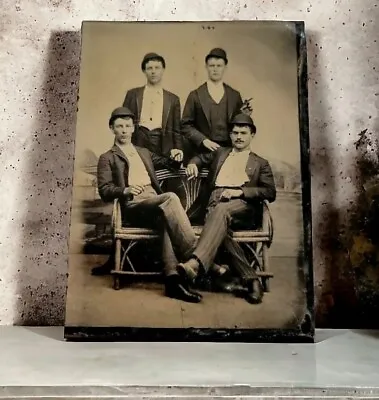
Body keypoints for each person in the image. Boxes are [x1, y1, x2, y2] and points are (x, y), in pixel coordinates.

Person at [93, 106, 204, 303]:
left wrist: (175, 157)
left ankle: (172, 281)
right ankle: (198, 255)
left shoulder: (143, 152)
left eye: (128, 126)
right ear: (112, 129)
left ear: (134, 129)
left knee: (165, 217)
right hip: (134, 205)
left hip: (155, 202)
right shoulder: (107, 157)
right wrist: (124, 190)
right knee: (170, 198)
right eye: (120, 126)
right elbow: (104, 190)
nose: (125, 130)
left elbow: (167, 164)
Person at [179, 113, 277, 304]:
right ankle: (252, 279)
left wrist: (239, 192)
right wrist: (192, 164)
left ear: (252, 135)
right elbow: (200, 157)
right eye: (234, 133)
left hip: (243, 206)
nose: (238, 137)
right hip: (213, 202)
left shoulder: (260, 163)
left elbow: (269, 192)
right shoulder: (220, 153)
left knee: (219, 212)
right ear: (230, 135)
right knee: (219, 219)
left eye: (243, 132)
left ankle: (195, 264)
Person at [181, 48, 246, 161]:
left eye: (219, 66)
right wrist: (203, 140)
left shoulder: (234, 96)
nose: (215, 69)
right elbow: (185, 125)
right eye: (212, 66)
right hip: (201, 153)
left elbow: (239, 126)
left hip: (229, 153)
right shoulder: (195, 95)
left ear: (225, 67)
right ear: (206, 67)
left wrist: (245, 116)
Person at [122, 52, 183, 163]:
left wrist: (178, 149)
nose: (153, 71)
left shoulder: (173, 99)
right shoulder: (133, 94)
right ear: (144, 71)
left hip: (161, 143)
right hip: (138, 140)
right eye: (149, 68)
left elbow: (177, 130)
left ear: (163, 70)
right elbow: (122, 122)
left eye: (157, 68)